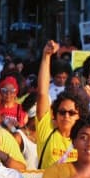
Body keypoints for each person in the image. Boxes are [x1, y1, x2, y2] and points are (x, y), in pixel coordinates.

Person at [35, 41, 85, 169]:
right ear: (55, 114)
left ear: (79, 116)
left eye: (72, 113)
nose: (66, 116)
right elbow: (42, 93)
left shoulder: (84, 141)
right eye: (62, 112)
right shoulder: (47, 131)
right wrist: (46, 56)